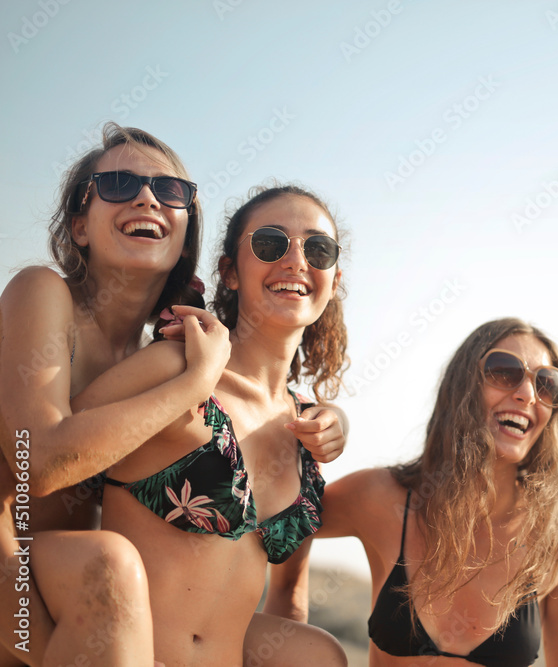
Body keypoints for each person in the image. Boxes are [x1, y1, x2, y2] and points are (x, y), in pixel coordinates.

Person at [71, 184, 350, 665]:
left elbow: (281, 599)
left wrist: (338, 417)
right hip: (124, 654)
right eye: (270, 243)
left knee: (321, 655)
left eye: (317, 249)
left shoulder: (308, 430)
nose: (296, 261)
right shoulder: (178, 368)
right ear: (230, 273)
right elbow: (44, 454)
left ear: (333, 277)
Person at [0, 123, 233, 667]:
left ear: (184, 230)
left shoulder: (163, 353)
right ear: (79, 227)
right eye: (121, 184)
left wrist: (326, 418)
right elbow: (41, 461)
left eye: (169, 191)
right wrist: (193, 385)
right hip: (14, 559)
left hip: (57, 574)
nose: (148, 197)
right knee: (109, 564)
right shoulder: (42, 293)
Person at [318, 318, 558, 666]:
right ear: (462, 385)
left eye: (547, 384)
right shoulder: (379, 496)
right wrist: (288, 601)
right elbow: (279, 519)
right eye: (505, 371)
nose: (527, 394)